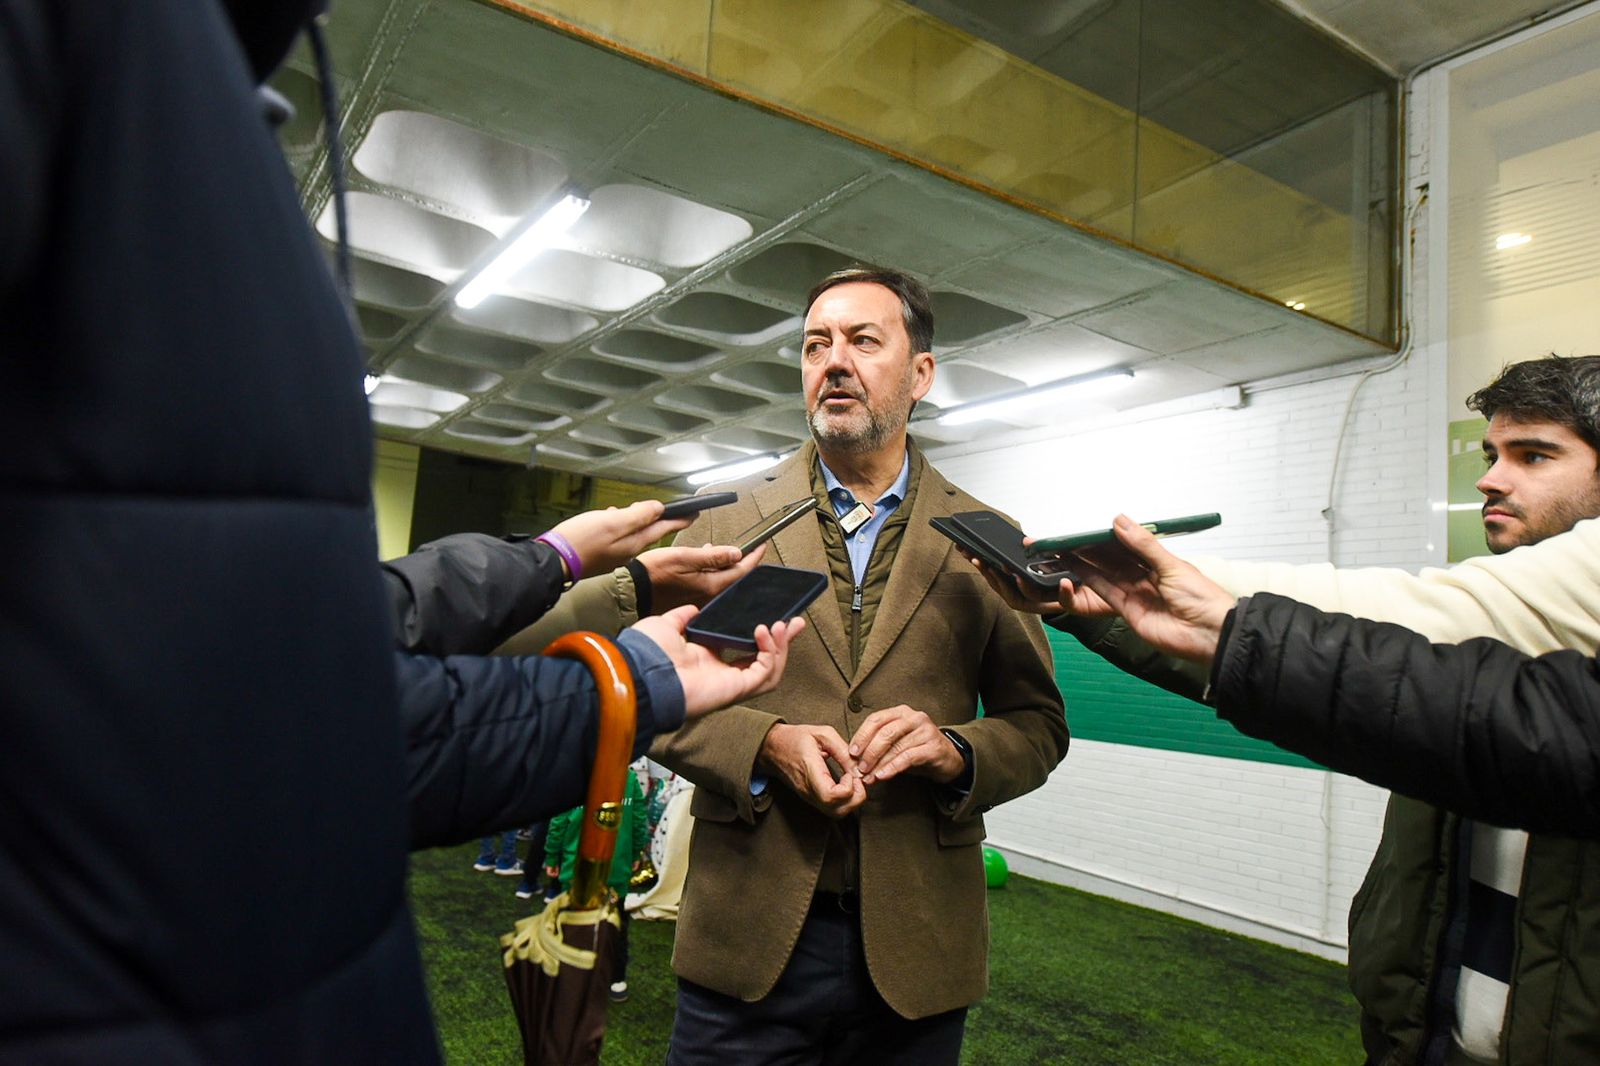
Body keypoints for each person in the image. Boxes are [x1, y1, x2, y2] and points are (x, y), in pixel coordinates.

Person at [0, 3, 798, 1062]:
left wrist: (568, 564)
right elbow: (247, 727)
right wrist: (618, 689)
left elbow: (310, 643)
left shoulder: (198, 94)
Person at [973, 355, 1600, 1065]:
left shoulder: (1475, 623)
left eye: (1534, 455)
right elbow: (1284, 669)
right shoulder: (1459, 645)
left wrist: (1145, 584)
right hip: (1421, 1037)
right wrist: (1109, 611)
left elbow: (1335, 627)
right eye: (1491, 454)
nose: (1490, 477)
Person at [644, 266, 1070, 1065]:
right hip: (747, 938)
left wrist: (955, 752)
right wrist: (763, 745)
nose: (833, 361)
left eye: (863, 341)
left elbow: (1039, 726)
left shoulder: (988, 535)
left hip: (917, 950)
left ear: (920, 375)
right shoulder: (726, 522)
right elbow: (655, 696)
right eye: (815, 345)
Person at [543, 767, 650, 1002]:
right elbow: (638, 817)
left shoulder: (573, 774)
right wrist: (635, 852)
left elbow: (559, 819)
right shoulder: (628, 776)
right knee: (615, 926)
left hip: (578, 871)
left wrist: (552, 855)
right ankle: (616, 980)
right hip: (615, 869)